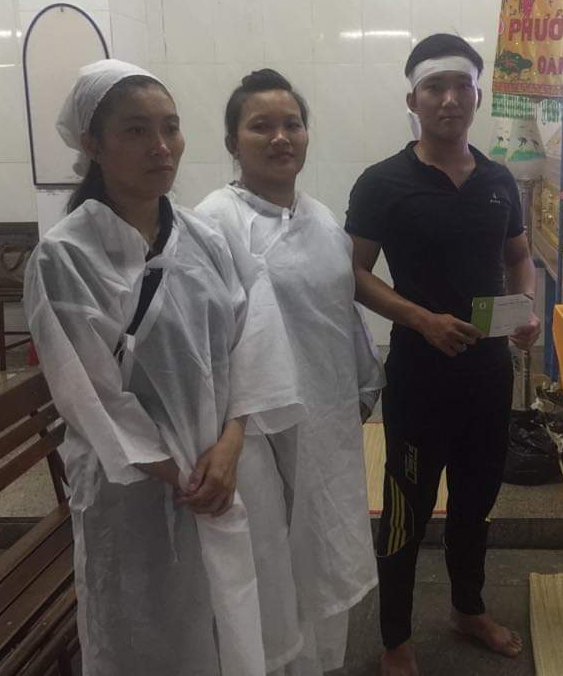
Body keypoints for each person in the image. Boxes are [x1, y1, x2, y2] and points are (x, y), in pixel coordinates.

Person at [25, 59, 308, 676]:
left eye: (170, 128)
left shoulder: (206, 239)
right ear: (93, 144)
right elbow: (90, 395)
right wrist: (184, 475)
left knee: (229, 621)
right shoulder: (65, 257)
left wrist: (229, 446)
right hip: (137, 491)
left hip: (222, 471)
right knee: (149, 634)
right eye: (136, 131)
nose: (161, 147)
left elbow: (252, 342)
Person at [345, 34, 541, 676]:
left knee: (475, 501)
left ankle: (467, 608)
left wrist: (526, 306)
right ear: (414, 100)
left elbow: (519, 256)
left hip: (487, 375)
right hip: (419, 375)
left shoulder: (497, 180)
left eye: (462, 86)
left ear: (477, 97)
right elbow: (354, 273)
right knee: (406, 506)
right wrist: (421, 319)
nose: (450, 99)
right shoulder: (382, 183)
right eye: (435, 87)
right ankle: (395, 638)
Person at [197, 68, 383, 675]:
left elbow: (341, 311)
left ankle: (316, 665)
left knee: (321, 547)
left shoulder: (321, 219)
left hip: (325, 417)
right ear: (233, 142)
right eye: (262, 127)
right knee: (267, 562)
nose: (281, 138)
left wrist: (363, 383)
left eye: (292, 124)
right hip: (251, 428)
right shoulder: (215, 223)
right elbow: (208, 337)